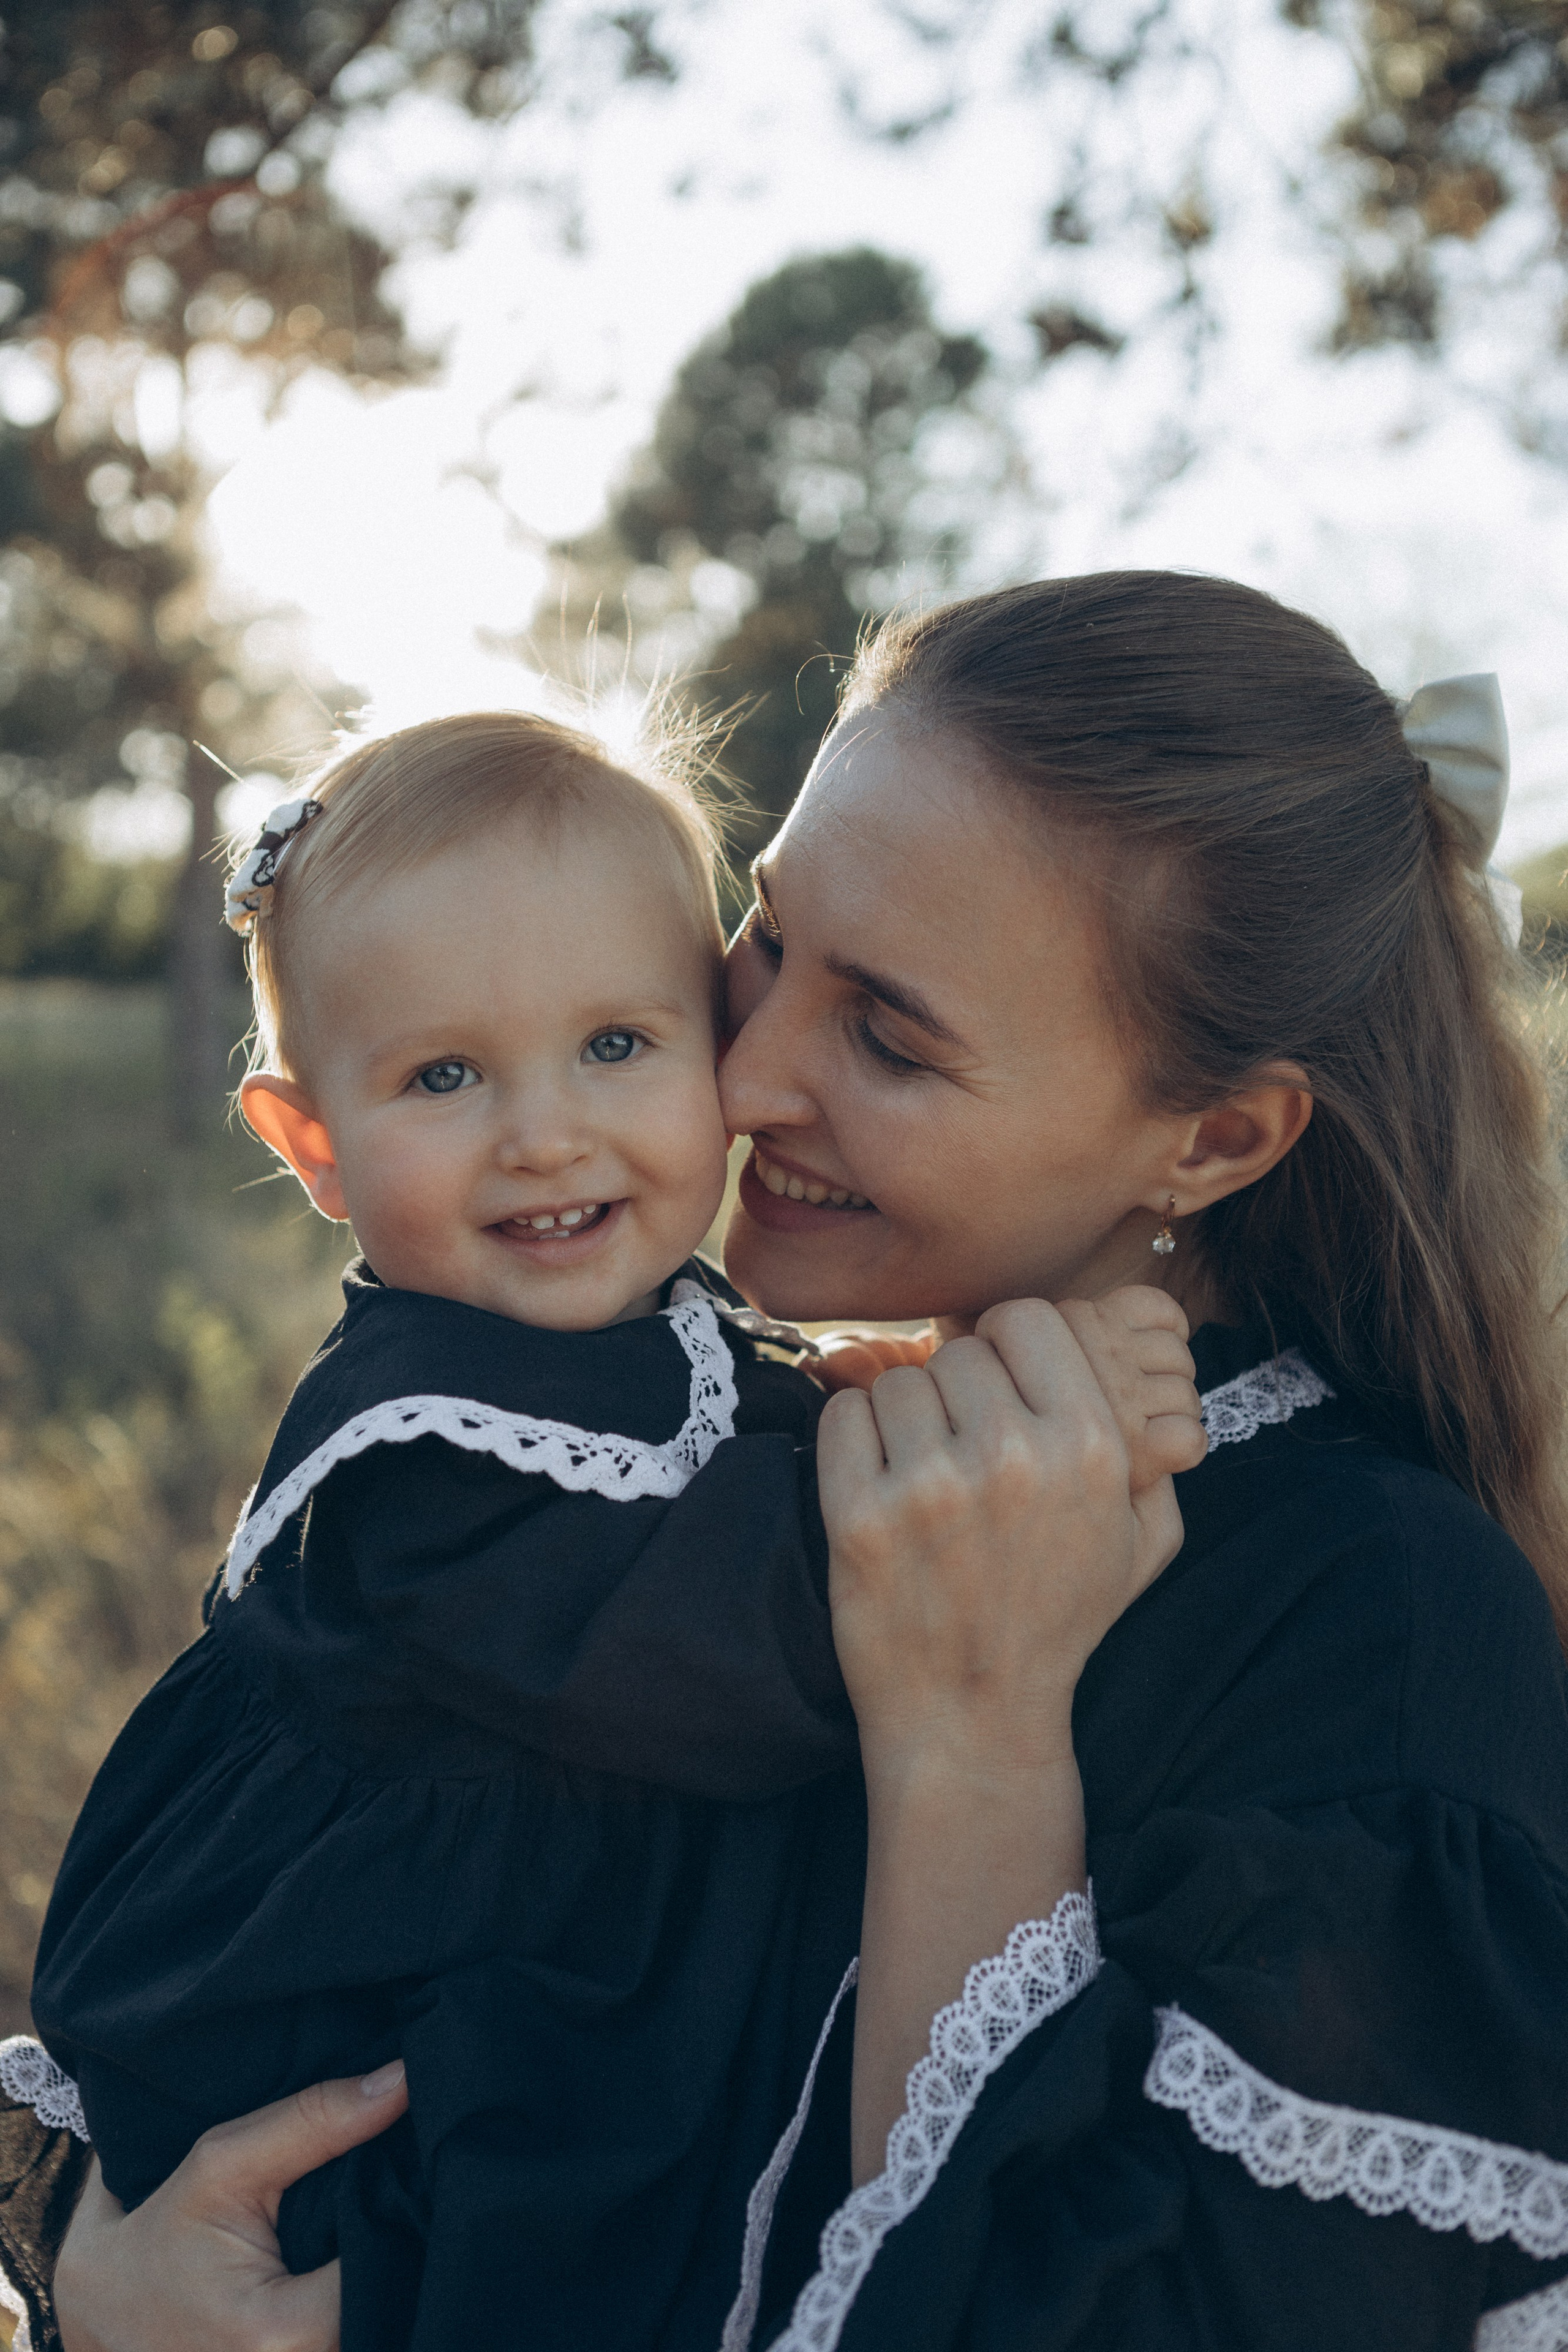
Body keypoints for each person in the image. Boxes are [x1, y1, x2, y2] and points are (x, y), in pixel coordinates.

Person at [13, 570, 1568, 2351]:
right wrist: (109, 2284)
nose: (740, 1074)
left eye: (889, 1032)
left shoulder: (1370, 1618)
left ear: (1214, 1138)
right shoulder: (702, 1434)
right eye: (759, 945)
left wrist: (975, 1742)